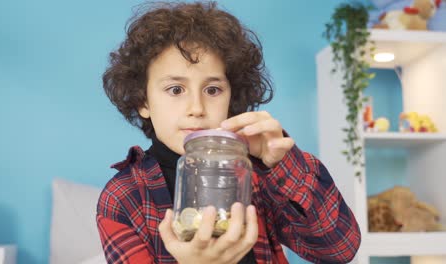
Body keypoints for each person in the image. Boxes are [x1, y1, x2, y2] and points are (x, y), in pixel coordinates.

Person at [96, 1, 361, 263]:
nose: (197, 108)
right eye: (176, 89)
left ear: (231, 97)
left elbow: (339, 249)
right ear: (143, 101)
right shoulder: (122, 197)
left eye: (212, 90)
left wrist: (281, 165)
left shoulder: (256, 172)